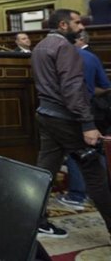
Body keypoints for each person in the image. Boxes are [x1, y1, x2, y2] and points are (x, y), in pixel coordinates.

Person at [31, 9, 111, 238]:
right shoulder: (64, 48)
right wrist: (87, 123)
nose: (82, 27)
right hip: (65, 118)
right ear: (64, 25)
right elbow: (72, 88)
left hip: (45, 115)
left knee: (44, 172)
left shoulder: (40, 46)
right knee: (95, 172)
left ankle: (36, 221)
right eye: (77, 23)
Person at [58, 30, 111, 210]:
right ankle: (102, 194)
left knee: (75, 152)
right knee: (97, 150)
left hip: (68, 111)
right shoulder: (91, 57)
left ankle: (77, 194)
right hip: (94, 110)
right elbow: (105, 86)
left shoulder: (62, 57)